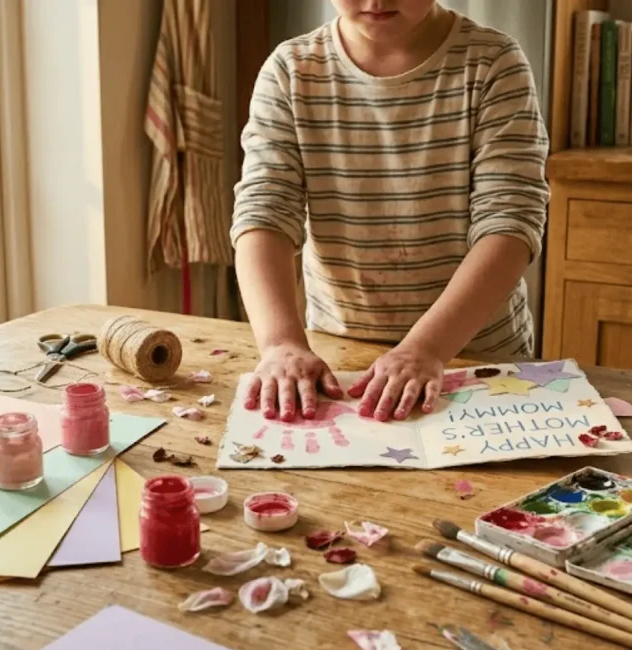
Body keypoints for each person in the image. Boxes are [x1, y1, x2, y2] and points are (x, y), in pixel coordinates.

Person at [231, 0, 549, 423]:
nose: (376, 0)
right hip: (341, 361)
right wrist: (280, 344)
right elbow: (264, 213)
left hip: (472, 358)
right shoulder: (291, 70)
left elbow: (510, 224)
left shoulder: (494, 63)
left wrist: (428, 348)